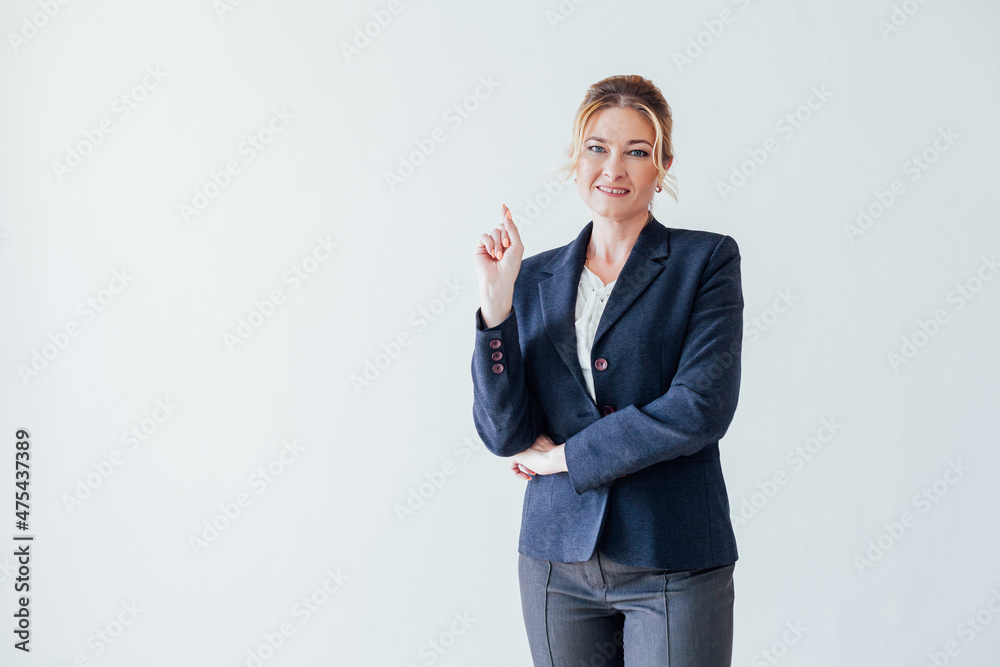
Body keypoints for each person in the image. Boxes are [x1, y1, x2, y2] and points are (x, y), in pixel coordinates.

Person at [471, 74, 743, 665]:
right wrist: (496, 309)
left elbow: (700, 407)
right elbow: (506, 434)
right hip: (555, 561)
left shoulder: (706, 261)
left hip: (673, 557)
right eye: (597, 147)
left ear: (663, 164)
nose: (613, 168)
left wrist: (564, 458)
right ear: (575, 159)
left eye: (636, 152)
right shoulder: (533, 278)